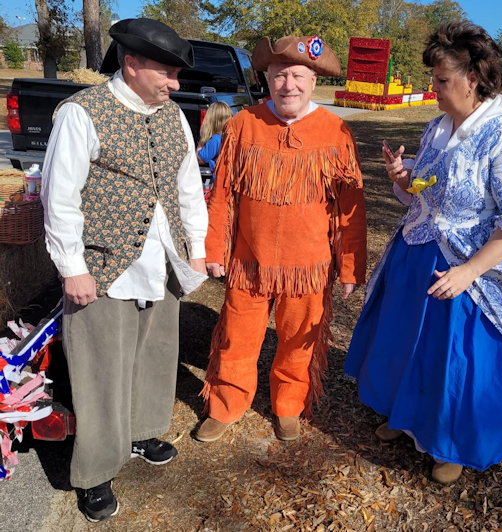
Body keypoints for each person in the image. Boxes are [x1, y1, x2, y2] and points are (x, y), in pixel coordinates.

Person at [344, 21, 502, 484]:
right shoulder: (436, 128)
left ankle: (455, 443)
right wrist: (403, 178)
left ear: (474, 79)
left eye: (442, 80)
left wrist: (469, 271)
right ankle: (407, 419)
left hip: (478, 265)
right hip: (418, 252)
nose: (434, 88)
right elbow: (428, 191)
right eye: (433, 79)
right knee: (409, 344)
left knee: (458, 359)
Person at [41, 18, 208, 522]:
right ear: (131, 64)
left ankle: (140, 432)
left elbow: (187, 187)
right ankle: (95, 472)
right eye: (167, 73)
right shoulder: (81, 113)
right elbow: (59, 196)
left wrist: (195, 250)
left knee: (155, 353)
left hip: (160, 259)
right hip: (101, 262)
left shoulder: (174, 115)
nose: (175, 85)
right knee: (100, 370)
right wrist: (72, 268)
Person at [194, 35, 367, 443]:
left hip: (308, 266)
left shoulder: (336, 131)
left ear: (313, 80)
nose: (288, 84)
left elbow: (350, 205)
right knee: (237, 337)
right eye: (279, 75)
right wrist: (213, 248)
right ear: (266, 78)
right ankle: (226, 404)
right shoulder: (242, 126)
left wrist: (349, 266)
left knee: (296, 342)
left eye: (298, 75)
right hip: (248, 263)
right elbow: (221, 195)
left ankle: (289, 405)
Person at [197, 101, 234, 178]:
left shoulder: (216, 139)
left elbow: (199, 159)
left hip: (220, 184)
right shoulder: (232, 136)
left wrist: (202, 140)